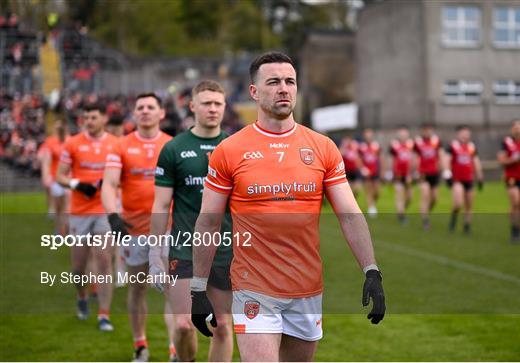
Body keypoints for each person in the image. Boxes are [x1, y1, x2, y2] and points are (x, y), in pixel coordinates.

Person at [189, 52, 385, 361]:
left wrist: (371, 270)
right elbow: (208, 222)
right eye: (274, 82)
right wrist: (198, 288)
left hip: (306, 287)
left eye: (290, 81)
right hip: (253, 286)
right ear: (254, 92)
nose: (284, 88)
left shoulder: (322, 148)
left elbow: (349, 214)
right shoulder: (230, 150)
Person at [149, 81, 233, 362]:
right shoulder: (174, 149)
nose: (212, 109)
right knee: (184, 324)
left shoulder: (235, 148)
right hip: (184, 248)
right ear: (193, 106)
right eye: (206, 103)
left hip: (225, 251)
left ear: (224, 106)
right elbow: (161, 205)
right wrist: (154, 255)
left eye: (217, 103)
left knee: (221, 327)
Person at [101, 93, 174, 361]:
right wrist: (113, 216)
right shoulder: (120, 146)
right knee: (138, 287)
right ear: (134, 113)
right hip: (134, 230)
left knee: (171, 289)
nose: (145, 111)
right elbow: (108, 184)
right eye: (140, 107)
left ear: (161, 113)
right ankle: (140, 345)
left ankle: (174, 348)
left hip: (169, 229)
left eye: (150, 107)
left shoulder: (172, 145)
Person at [56, 103, 118, 330]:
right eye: (86, 118)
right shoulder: (73, 143)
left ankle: (104, 314)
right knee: (78, 268)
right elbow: (60, 176)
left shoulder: (114, 143)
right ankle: (82, 297)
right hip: (80, 212)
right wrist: (78, 184)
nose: (89, 121)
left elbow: (123, 174)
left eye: (93, 117)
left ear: (103, 118)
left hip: (104, 210)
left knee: (103, 260)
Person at [444, 125, 483, 235]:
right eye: (463, 133)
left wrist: (479, 176)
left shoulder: (471, 147)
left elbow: (476, 161)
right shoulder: (453, 146)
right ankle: (453, 219)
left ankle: (467, 226)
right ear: (458, 134)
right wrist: (447, 173)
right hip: (457, 179)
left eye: (467, 133)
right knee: (458, 203)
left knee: (469, 205)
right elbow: (446, 160)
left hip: (469, 178)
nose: (465, 135)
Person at [38, 119, 69, 235]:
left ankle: (66, 230)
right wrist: (46, 176)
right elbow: (46, 160)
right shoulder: (50, 142)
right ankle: (58, 229)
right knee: (58, 207)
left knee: (67, 207)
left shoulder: (71, 141)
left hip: (68, 179)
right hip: (56, 179)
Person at [414, 123, 445, 230]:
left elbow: (440, 155)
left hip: (434, 173)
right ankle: (425, 220)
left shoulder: (436, 141)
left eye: (429, 130)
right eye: (425, 130)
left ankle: (426, 212)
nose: (427, 132)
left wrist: (444, 170)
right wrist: (415, 171)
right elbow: (415, 157)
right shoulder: (418, 142)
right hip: (423, 174)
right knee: (425, 195)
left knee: (435, 199)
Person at [388, 125, 414, 224]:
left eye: (405, 133)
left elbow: (414, 159)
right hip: (398, 175)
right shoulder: (394, 145)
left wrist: (412, 173)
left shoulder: (411, 144)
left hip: (408, 175)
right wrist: (390, 173)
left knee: (409, 197)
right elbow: (391, 159)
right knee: (399, 195)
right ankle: (401, 216)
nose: (403, 135)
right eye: (401, 133)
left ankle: (401, 210)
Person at [357, 128, 381, 217]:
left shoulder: (376, 146)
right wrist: (362, 168)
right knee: (369, 190)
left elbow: (380, 158)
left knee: (377, 192)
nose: (368, 136)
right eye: (367, 134)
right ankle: (371, 207)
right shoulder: (361, 147)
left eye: (370, 134)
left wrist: (382, 171)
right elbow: (358, 159)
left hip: (375, 172)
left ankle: (373, 203)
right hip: (366, 173)